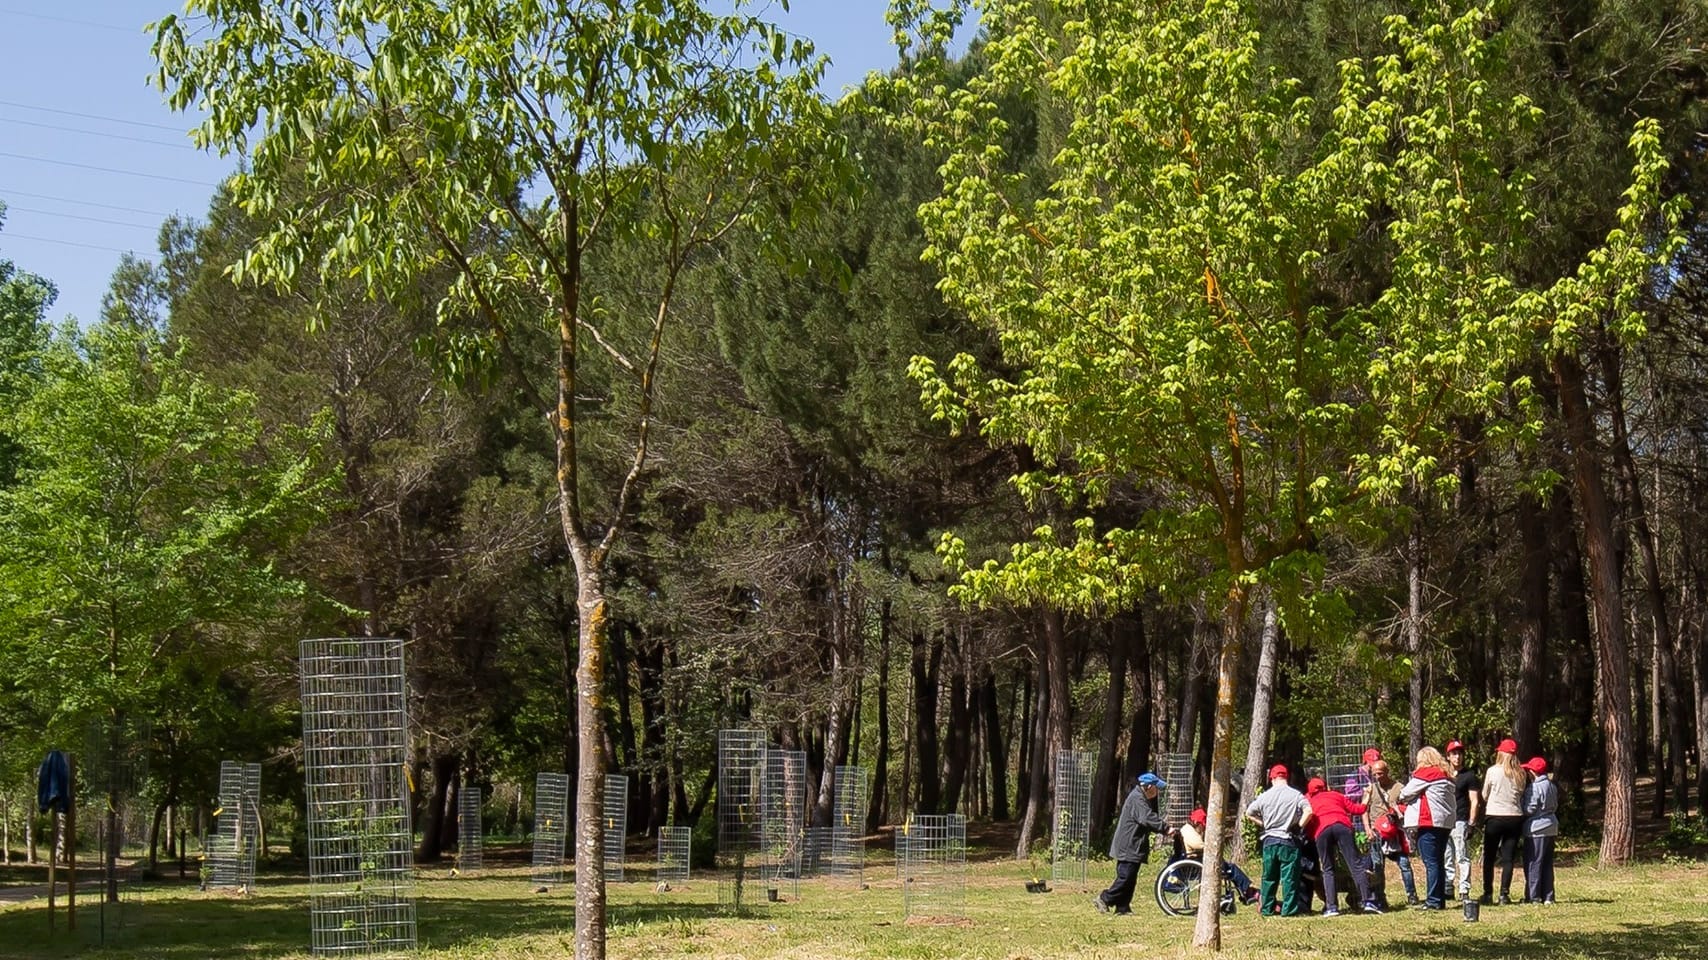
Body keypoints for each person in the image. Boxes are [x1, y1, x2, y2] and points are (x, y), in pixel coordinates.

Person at [1096, 772, 1170, 915]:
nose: (1157, 791)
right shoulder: (1137, 798)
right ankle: (1104, 898)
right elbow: (1146, 818)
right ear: (1148, 787)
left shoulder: (1140, 797)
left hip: (1133, 845)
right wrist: (1165, 828)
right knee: (1125, 877)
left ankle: (1123, 907)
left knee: (1131, 878)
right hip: (1127, 846)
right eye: (1156, 788)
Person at [1245, 764, 1314, 917]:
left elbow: (1249, 812)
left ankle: (1267, 908)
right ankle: (1289, 910)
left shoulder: (1264, 796)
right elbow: (1309, 810)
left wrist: (1263, 824)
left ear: (1272, 778)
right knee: (1289, 877)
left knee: (1269, 877)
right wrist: (1299, 825)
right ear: (1286, 777)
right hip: (1289, 840)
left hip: (1269, 840)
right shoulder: (1295, 795)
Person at [1306, 777, 1380, 915]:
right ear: (1325, 787)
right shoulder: (1336, 795)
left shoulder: (1309, 801)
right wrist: (1367, 795)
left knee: (1328, 869)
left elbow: (1309, 823)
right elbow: (1358, 809)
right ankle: (1368, 902)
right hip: (1343, 826)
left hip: (1322, 830)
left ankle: (1332, 907)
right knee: (1356, 865)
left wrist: (1312, 836)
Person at [1398, 746, 1457, 910]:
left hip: (1429, 822)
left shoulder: (1427, 774)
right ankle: (1439, 898)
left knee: (1431, 862)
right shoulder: (1446, 775)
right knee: (1438, 861)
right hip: (1444, 824)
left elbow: (1404, 793)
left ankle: (1433, 900)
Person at [1480, 737, 1531, 905]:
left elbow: (1485, 795)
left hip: (1495, 816)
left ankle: (1488, 893)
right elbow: (1522, 793)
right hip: (1515, 817)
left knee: (1489, 857)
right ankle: (1504, 894)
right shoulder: (1521, 773)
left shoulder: (1493, 771)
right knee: (1508, 858)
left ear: (1501, 753)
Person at [1362, 759, 1418, 907]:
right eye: (1374, 774)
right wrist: (1368, 829)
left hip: (1395, 833)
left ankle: (1411, 895)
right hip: (1376, 833)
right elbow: (1363, 811)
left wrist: (1398, 812)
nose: (1377, 777)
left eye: (1380, 773)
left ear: (1387, 772)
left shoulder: (1399, 787)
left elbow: (1410, 806)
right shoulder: (1371, 789)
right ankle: (1380, 898)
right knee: (1378, 867)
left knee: (1404, 864)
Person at [1182, 807, 1259, 905]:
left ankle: (1246, 890)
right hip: (1194, 863)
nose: (1203, 828)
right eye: (1202, 825)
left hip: (1196, 859)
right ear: (1197, 822)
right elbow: (1198, 845)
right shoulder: (1188, 830)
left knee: (1229, 868)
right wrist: (1210, 847)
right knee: (1231, 869)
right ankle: (1247, 891)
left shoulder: (1188, 829)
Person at [1444, 739, 1481, 901]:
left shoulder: (1469, 776)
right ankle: (1448, 886)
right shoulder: (1443, 775)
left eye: (1460, 753)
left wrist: (1471, 823)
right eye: (1454, 754)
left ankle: (1464, 888)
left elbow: (1475, 800)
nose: (1457, 757)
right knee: (1447, 856)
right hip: (1445, 821)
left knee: (1462, 855)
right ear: (1448, 757)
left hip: (1460, 820)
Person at [1521, 756, 1558, 904]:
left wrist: (1521, 803)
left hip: (1537, 828)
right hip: (1551, 826)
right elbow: (1555, 805)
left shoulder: (1534, 787)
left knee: (1534, 862)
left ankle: (1533, 896)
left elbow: (1529, 809)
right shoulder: (1552, 786)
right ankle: (1548, 896)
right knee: (1547, 863)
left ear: (1533, 772)